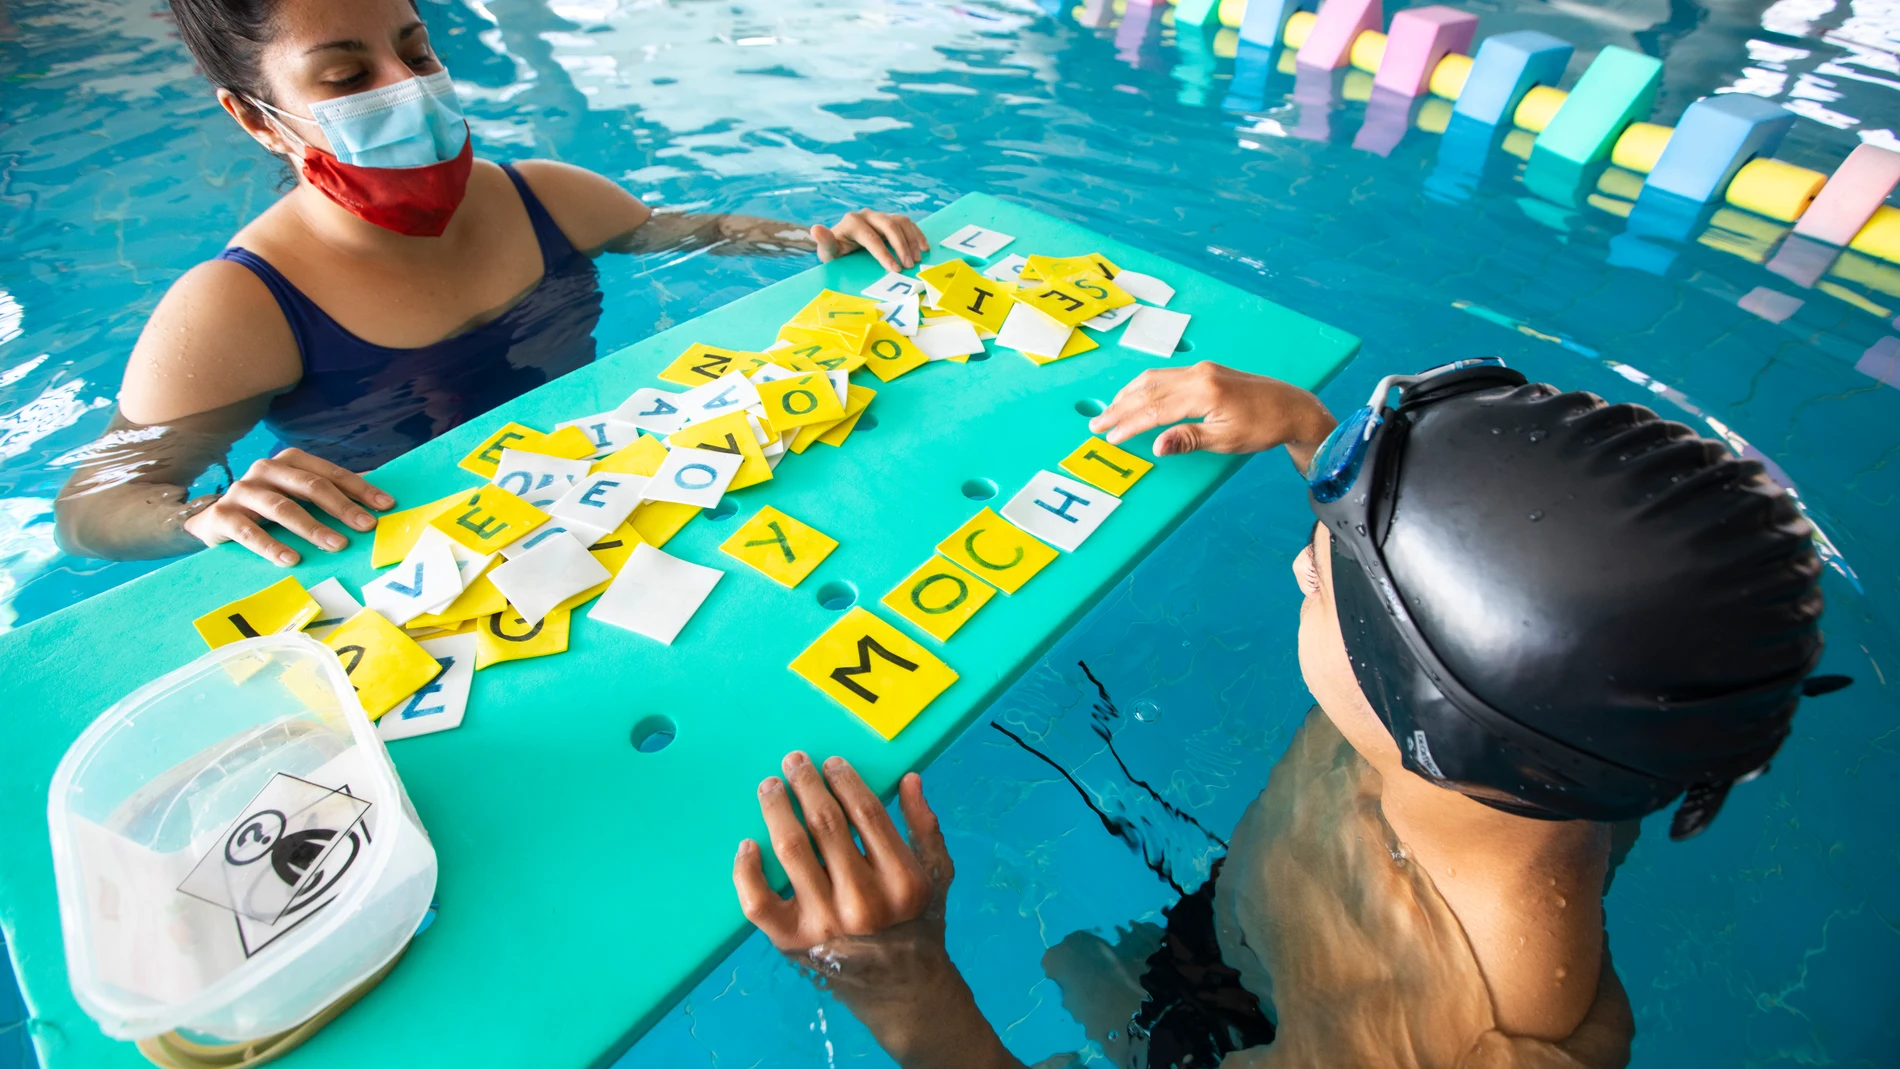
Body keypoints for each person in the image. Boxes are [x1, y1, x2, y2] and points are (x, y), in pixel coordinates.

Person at [733, 360, 1827, 1068]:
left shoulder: (1459, 1040)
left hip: (1278, 1028)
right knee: (1092, 961)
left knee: (1072, 977)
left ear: (1425, 712)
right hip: (1256, 924)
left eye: (1332, 570)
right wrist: (1310, 431)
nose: (1306, 556)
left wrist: (905, 981)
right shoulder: (1559, 744)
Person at [53, 0, 926, 567]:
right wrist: (201, 513)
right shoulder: (241, 305)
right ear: (257, 119)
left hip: (613, 496)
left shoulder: (547, 197)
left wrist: (819, 239)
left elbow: (700, 233)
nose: (407, 88)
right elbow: (94, 509)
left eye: (415, 49)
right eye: (349, 77)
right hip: (419, 568)